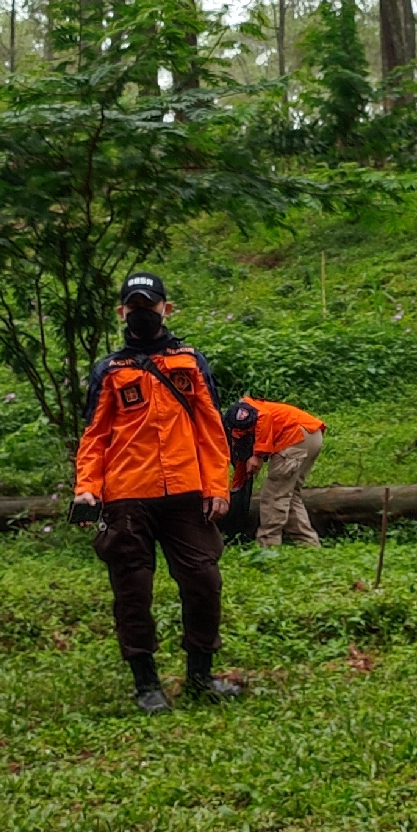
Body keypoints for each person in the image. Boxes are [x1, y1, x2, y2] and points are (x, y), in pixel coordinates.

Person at [73, 273, 241, 711]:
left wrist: (216, 484)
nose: (142, 312)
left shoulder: (190, 360)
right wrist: (87, 489)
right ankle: (146, 682)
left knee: (204, 580)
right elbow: (95, 435)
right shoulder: (109, 370)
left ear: (168, 309)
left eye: (150, 304)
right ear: (121, 312)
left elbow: (209, 425)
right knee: (132, 589)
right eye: (134, 305)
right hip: (127, 494)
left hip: (188, 491)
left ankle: (201, 676)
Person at [226, 395, 326, 549]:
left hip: (295, 436)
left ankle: (268, 546)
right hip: (311, 435)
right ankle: (308, 544)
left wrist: (258, 455)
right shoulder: (237, 431)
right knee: (290, 494)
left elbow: (263, 417)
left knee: (273, 496)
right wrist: (236, 490)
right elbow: (241, 464)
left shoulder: (238, 414)